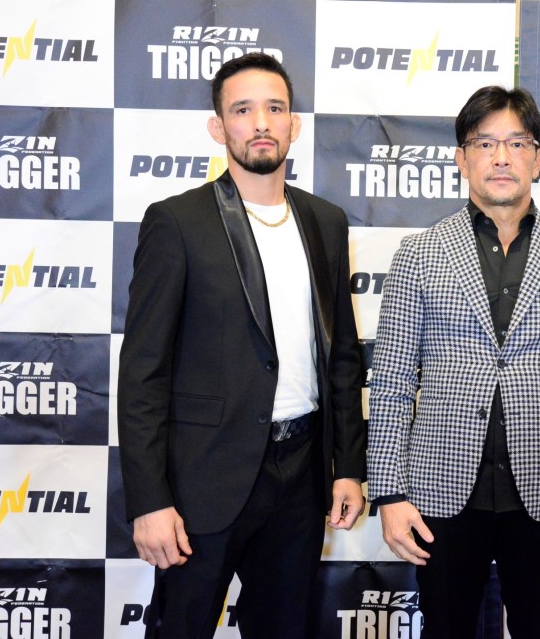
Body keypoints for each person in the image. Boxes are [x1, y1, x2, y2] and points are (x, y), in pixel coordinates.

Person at [117, 52, 366, 639]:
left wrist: (347, 466)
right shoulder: (177, 222)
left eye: (274, 108)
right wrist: (149, 500)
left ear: (293, 125)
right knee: (181, 626)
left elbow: (343, 356)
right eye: (242, 109)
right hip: (203, 479)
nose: (260, 122)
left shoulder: (325, 222)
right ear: (218, 127)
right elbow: (142, 372)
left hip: (301, 473)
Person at [367, 86, 540, 638]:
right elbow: (389, 382)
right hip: (440, 490)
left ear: (539, 156)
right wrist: (388, 492)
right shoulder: (419, 255)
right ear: (462, 158)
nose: (502, 157)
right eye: (485, 143)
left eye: (516, 142)